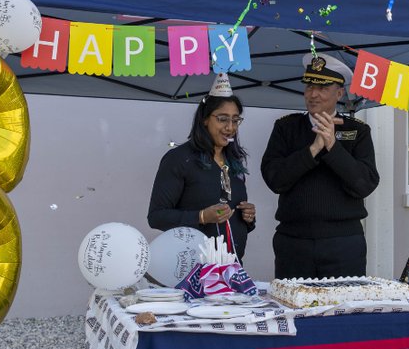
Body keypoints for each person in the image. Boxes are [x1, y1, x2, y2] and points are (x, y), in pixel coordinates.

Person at [262, 53, 379, 278]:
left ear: (339, 93)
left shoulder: (357, 131)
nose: (313, 94)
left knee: (344, 309)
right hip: (294, 241)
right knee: (294, 309)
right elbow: (275, 179)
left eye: (323, 88)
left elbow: (364, 184)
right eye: (309, 87)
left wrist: (333, 147)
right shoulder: (286, 128)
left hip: (343, 243)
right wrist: (313, 150)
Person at [148, 73, 256, 261]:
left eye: (235, 120)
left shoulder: (234, 162)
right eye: (222, 119)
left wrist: (248, 217)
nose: (230, 127)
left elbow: (231, 216)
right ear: (205, 119)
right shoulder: (179, 159)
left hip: (231, 269)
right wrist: (201, 216)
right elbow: (157, 217)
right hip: (190, 269)